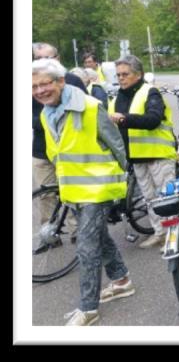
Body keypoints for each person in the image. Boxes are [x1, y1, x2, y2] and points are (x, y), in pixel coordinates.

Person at [33, 58, 135, 326]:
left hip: (98, 188)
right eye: (34, 87)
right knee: (99, 238)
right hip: (74, 189)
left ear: (60, 81)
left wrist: (122, 183)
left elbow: (117, 146)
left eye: (45, 84)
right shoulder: (46, 113)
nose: (40, 91)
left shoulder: (90, 107)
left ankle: (88, 308)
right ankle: (122, 280)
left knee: (87, 247)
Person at [108, 55, 178, 248]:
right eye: (118, 75)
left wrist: (124, 119)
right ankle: (160, 233)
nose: (121, 78)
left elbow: (153, 119)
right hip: (136, 157)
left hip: (158, 154)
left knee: (167, 199)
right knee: (150, 198)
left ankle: (174, 236)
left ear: (138, 75)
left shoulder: (151, 92)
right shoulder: (117, 98)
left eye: (125, 74)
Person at [32, 43, 87, 231]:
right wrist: (48, 123)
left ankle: (76, 230)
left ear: (57, 58)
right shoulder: (31, 82)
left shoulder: (72, 80)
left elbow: (86, 110)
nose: (42, 62)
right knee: (44, 193)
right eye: (37, 58)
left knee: (71, 190)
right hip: (42, 148)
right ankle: (49, 231)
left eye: (47, 58)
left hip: (71, 148)